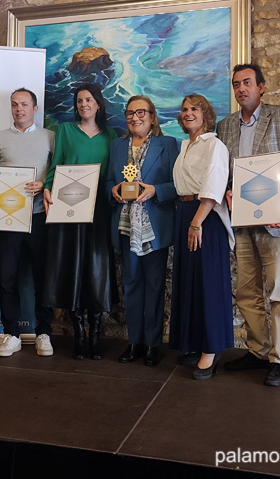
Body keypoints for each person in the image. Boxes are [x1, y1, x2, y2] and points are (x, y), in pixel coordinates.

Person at [216, 64, 280, 387]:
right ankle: (257, 349)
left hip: (275, 222)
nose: (241, 88)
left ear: (261, 87)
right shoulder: (226, 126)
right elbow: (225, 171)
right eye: (237, 84)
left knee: (279, 291)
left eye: (247, 83)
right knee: (246, 291)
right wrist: (226, 190)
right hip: (241, 222)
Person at [43, 83, 118, 360]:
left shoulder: (112, 136)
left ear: (98, 103)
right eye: (79, 100)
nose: (83, 104)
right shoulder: (64, 131)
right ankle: (79, 334)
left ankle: (96, 333)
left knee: (96, 270)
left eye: (88, 99)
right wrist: (48, 188)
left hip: (99, 212)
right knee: (72, 267)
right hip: (70, 209)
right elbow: (57, 165)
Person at [106, 96, 179, 366]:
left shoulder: (168, 144)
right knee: (131, 285)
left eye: (141, 112)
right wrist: (113, 191)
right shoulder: (116, 146)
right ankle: (134, 342)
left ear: (152, 116)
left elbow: (178, 183)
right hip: (126, 226)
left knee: (155, 286)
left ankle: (152, 344)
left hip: (154, 227)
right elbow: (109, 182)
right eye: (130, 113)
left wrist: (155, 190)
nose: (135, 117)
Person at [169, 94, 234, 380]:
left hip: (204, 216)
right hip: (185, 211)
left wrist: (196, 223)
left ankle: (211, 349)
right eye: (184, 110)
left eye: (194, 109)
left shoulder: (214, 145)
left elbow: (214, 185)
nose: (187, 113)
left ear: (205, 113)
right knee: (190, 281)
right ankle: (195, 342)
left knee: (208, 283)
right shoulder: (185, 146)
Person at [0, 88, 56, 357]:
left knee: (43, 278)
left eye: (25, 104)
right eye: (15, 105)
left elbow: (56, 172)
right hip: (9, 220)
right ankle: (12, 334)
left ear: (35, 108)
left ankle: (44, 332)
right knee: (8, 279)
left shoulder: (50, 137)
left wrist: (44, 184)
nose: (19, 109)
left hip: (40, 218)